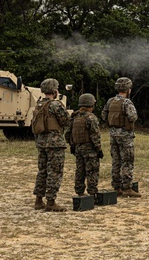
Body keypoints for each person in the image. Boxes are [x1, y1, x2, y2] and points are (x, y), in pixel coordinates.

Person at [31, 78, 70, 212]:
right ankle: (51, 202)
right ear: (55, 91)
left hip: (41, 143)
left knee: (42, 171)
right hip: (55, 143)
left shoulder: (39, 104)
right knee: (55, 171)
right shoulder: (55, 105)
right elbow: (65, 121)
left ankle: (38, 200)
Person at [102, 77, 140, 197]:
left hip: (113, 135)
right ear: (128, 89)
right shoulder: (127, 102)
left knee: (116, 161)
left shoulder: (110, 101)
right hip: (125, 136)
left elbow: (104, 115)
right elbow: (133, 117)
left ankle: (116, 187)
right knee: (127, 161)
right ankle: (127, 188)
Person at [66, 93, 102, 198]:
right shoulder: (91, 117)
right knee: (92, 171)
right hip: (90, 149)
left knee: (80, 170)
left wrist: (72, 145)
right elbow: (95, 135)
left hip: (77, 148)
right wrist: (98, 149)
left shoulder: (74, 116)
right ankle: (92, 193)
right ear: (91, 104)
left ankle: (79, 192)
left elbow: (68, 133)